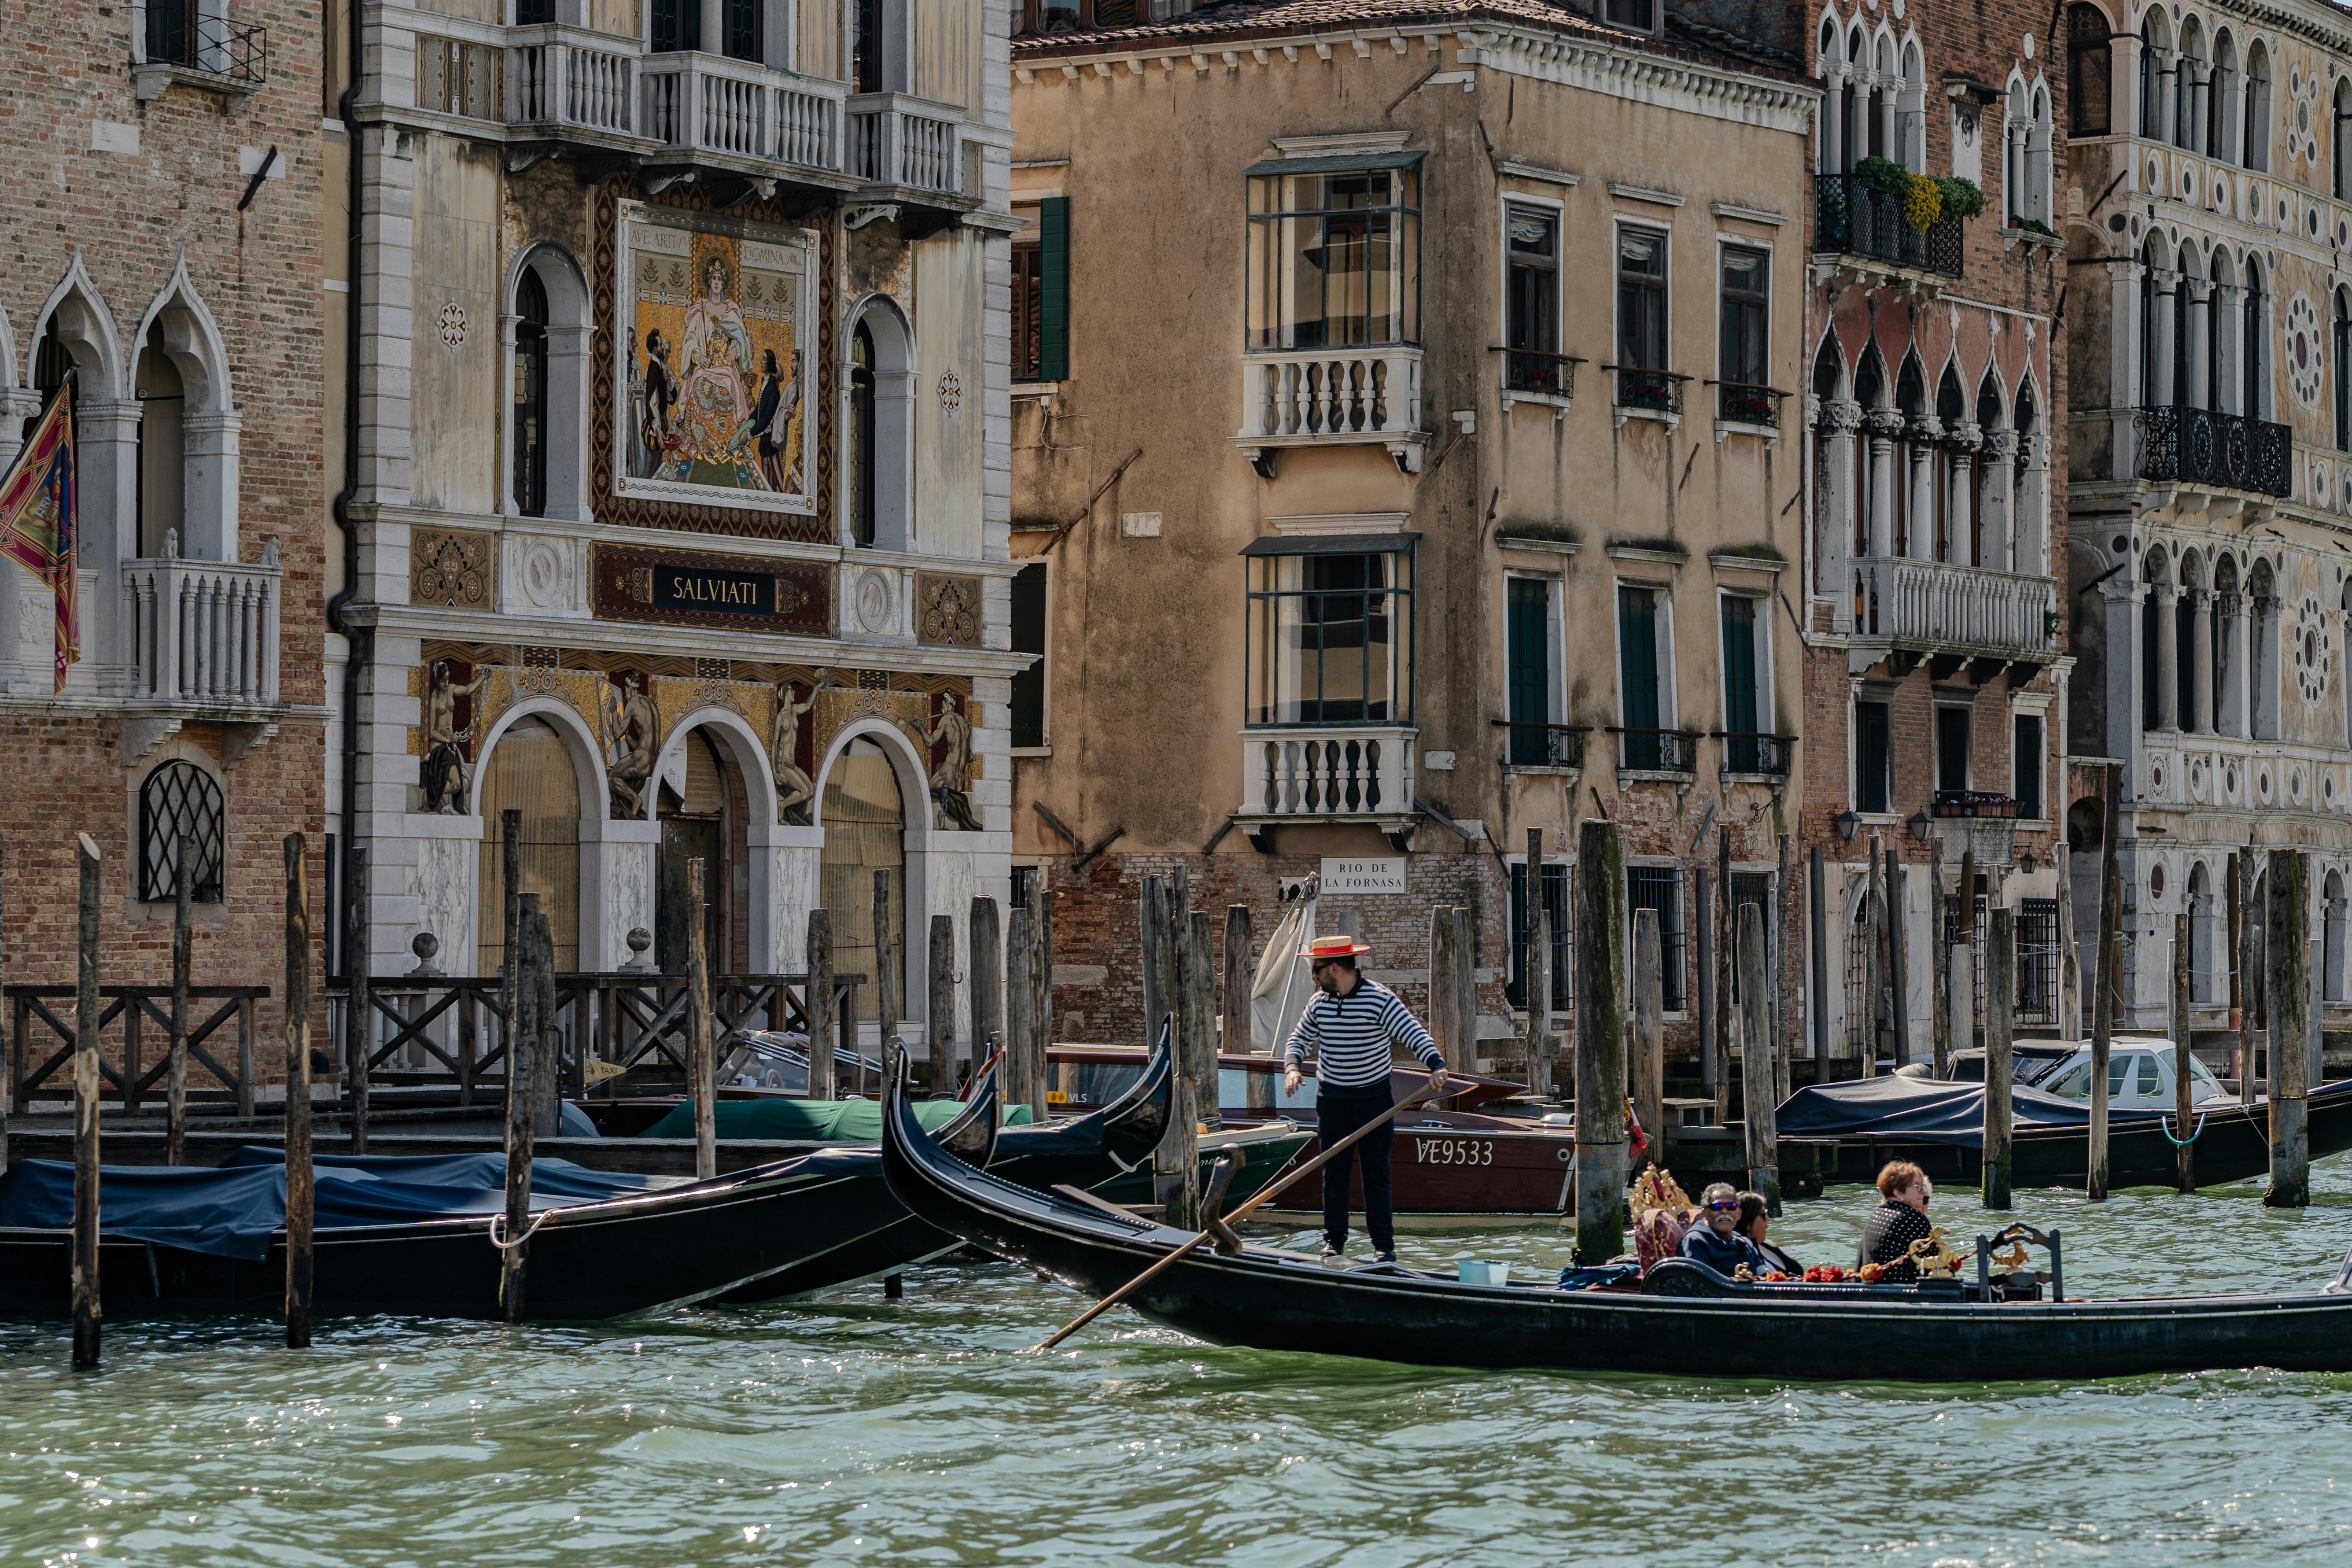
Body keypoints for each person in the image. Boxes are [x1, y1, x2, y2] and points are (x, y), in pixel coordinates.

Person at [1281, 933, 1449, 1265]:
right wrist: (1292, 1067)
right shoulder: (1319, 1003)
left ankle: (1384, 1248)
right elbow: (1299, 1037)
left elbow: (1411, 1031)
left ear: (1332, 969)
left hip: (1374, 1100)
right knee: (1335, 1174)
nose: (1313, 976)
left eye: (1315, 969)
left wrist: (1436, 1064)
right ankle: (1333, 1243)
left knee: (1376, 1175)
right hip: (1332, 1100)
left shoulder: (1379, 999)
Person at [1858, 1160, 1935, 1284]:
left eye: (1923, 1186)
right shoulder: (1913, 1218)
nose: (1922, 1191)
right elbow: (1937, 1262)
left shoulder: (1876, 1215)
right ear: (1898, 1192)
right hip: (1903, 1294)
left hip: (1873, 1292)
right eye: (1917, 1186)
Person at [1678, 1182, 1763, 1276]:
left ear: (1739, 1214)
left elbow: (1764, 1276)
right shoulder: (1696, 1241)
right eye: (1717, 1207)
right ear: (1704, 1214)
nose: (1724, 1211)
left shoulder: (1745, 1243)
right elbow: (1696, 1285)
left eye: (1731, 1206)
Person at [1735, 1192, 1802, 1278]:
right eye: (1764, 1215)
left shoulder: (1769, 1245)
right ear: (1748, 1222)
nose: (1768, 1219)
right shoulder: (1740, 1254)